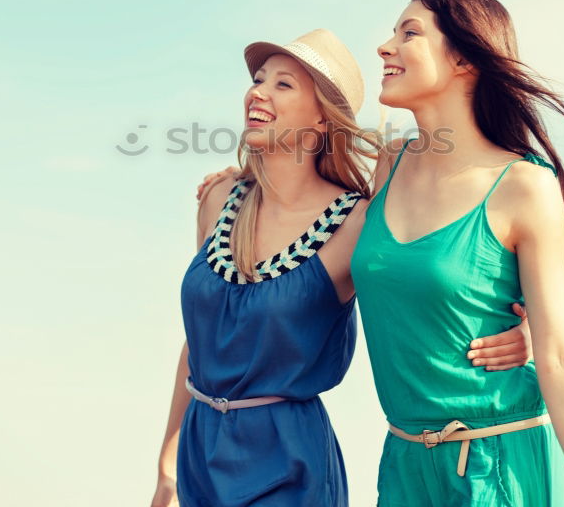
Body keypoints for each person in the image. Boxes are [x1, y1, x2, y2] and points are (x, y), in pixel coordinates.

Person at [153, 29, 534, 507]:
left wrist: (530, 331)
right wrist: (167, 463)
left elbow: (427, 296)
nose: (258, 91)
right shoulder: (216, 199)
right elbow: (200, 339)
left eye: (283, 84)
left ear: (322, 116)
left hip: (286, 462)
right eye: (258, 79)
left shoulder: (356, 222)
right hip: (199, 454)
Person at [350, 0, 564, 506]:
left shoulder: (525, 186)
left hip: (498, 460)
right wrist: (239, 180)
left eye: (409, 33)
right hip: (404, 461)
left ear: (464, 60)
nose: (384, 47)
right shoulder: (388, 163)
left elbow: (559, 356)